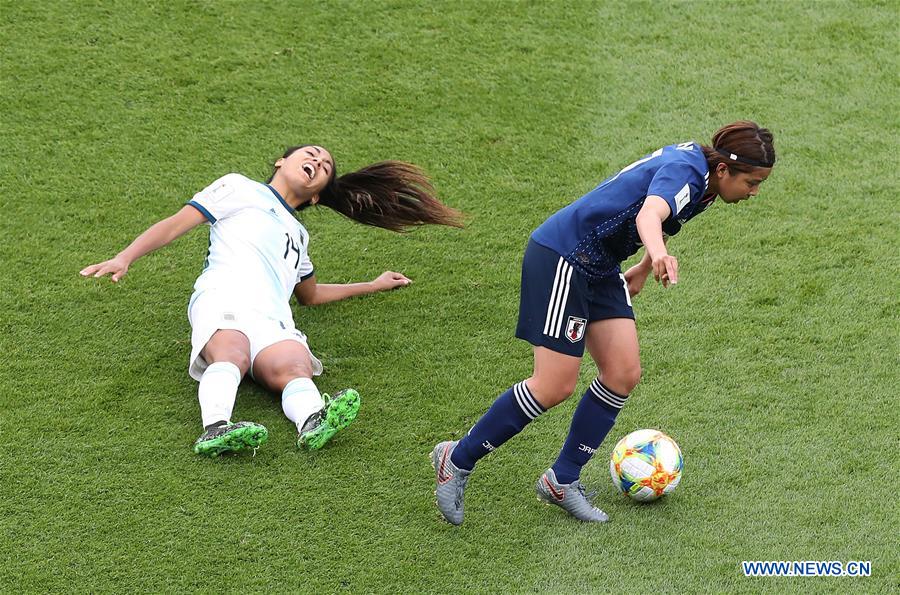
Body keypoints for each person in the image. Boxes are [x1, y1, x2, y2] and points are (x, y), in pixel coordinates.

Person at [432, 121, 775, 524]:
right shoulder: (687, 171)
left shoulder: (706, 181)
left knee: (622, 373)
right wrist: (658, 255)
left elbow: (664, 216)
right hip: (565, 257)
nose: (754, 192)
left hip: (600, 262)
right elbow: (650, 214)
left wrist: (643, 266)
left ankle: (562, 479)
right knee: (553, 385)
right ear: (724, 169)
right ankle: (457, 459)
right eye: (752, 183)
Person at [82, 145, 462, 456]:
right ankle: (215, 428)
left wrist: (373, 285)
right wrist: (124, 257)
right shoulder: (238, 187)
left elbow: (310, 295)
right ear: (282, 161)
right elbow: (176, 223)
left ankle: (312, 421)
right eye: (311, 154)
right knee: (233, 352)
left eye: (325, 166)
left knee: (294, 365)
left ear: (317, 195)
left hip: (272, 317)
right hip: (223, 297)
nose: (317, 161)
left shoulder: (299, 235)